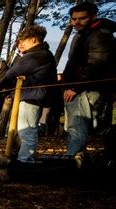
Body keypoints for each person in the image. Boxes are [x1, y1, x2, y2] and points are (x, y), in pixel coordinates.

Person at [63, 2, 116, 157]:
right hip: (78, 89)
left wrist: (75, 88)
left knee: (78, 126)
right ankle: (77, 158)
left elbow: (96, 64)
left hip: (89, 90)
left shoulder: (100, 34)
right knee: (77, 126)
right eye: (74, 19)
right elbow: (71, 64)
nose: (76, 22)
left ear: (93, 17)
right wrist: (65, 85)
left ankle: (73, 159)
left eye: (82, 18)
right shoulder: (80, 36)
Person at [1, 25, 58, 163]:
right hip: (28, 96)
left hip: (32, 97)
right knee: (22, 131)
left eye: (24, 40)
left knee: (27, 131)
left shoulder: (38, 55)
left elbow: (10, 74)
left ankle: (25, 160)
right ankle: (20, 157)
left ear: (33, 40)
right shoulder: (39, 54)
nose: (22, 44)